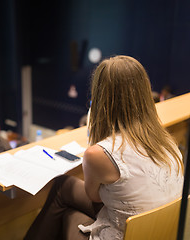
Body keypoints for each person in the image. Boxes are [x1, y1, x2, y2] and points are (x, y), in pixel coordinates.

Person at [24, 55, 184, 240]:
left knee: (70, 215)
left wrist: (96, 133)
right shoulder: (167, 140)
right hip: (160, 232)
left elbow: (94, 196)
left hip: (127, 233)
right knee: (64, 186)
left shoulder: (99, 154)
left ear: (101, 98)